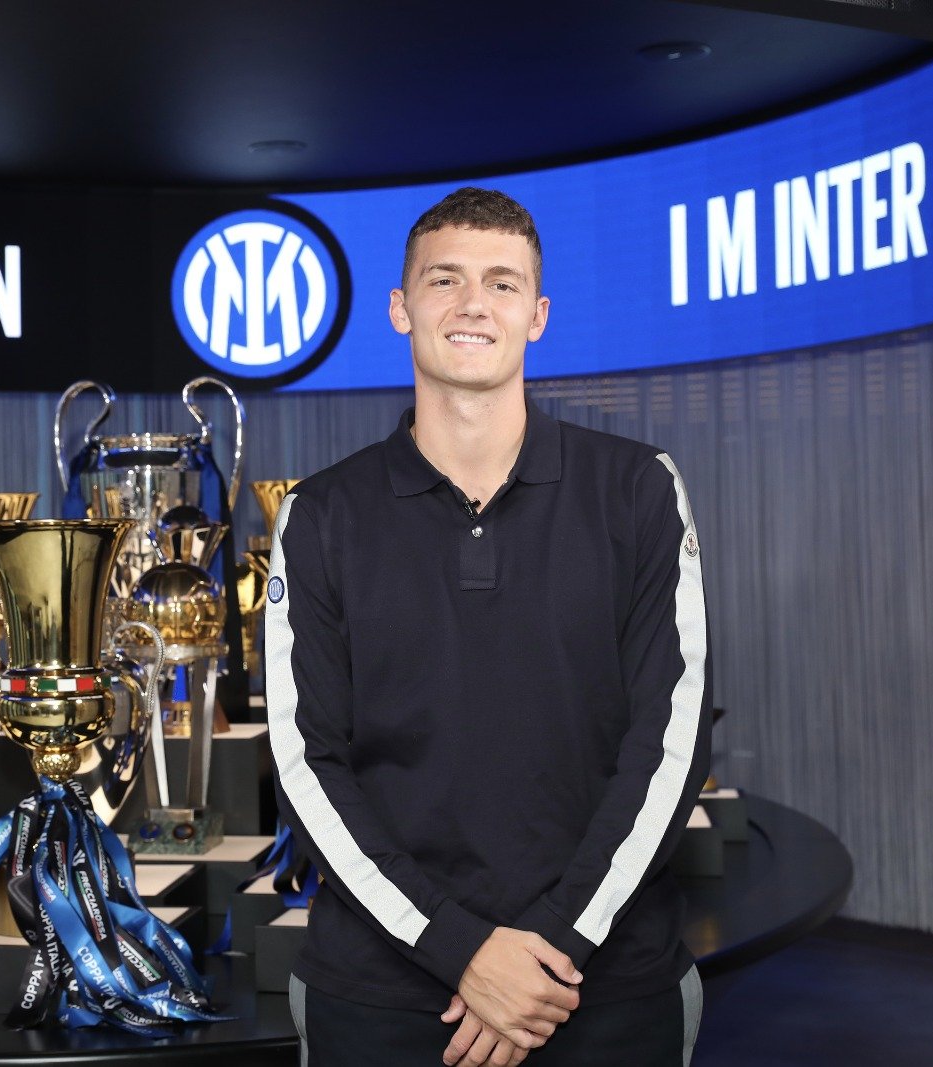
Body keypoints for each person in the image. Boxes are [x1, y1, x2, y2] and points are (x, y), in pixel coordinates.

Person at [265, 186, 710, 1066]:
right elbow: (304, 761)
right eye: (445, 280)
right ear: (400, 307)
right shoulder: (319, 515)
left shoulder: (638, 488)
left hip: (603, 987)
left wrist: (551, 945)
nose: (474, 304)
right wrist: (459, 948)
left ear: (537, 316)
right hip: (385, 997)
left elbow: (671, 742)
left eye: (503, 283)